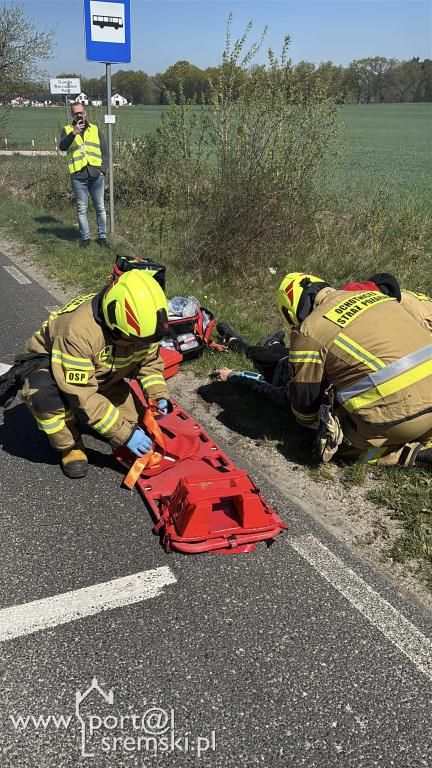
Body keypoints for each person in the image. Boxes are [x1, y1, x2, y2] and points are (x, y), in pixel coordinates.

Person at [21, 271, 171, 478]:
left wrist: (158, 394)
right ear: (115, 325)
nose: (143, 345)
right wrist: (125, 435)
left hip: (101, 374)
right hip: (53, 367)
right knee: (44, 396)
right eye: (136, 340)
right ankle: (71, 445)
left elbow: (150, 363)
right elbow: (82, 396)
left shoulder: (142, 326)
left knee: (138, 426)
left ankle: (104, 416)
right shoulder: (78, 333)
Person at [277, 272, 432, 468]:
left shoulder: (309, 331)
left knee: (333, 442)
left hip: (401, 417)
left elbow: (305, 408)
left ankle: (407, 455)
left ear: (292, 312)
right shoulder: (376, 295)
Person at [59, 104, 109, 249]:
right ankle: (85, 238)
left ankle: (102, 237)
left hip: (96, 174)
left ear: (85, 113)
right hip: (78, 176)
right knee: (82, 208)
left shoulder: (95, 129)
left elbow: (105, 152)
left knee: (100, 207)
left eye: (80, 113)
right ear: (72, 116)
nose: (79, 116)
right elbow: (62, 147)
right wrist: (73, 133)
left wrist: (103, 170)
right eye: (76, 114)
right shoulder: (67, 129)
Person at [215, 323, 290, 405]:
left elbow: (267, 389)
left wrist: (231, 376)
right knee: (286, 352)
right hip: (291, 360)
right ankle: (273, 343)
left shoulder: (298, 394)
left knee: (257, 354)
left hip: (281, 370)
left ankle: (232, 339)